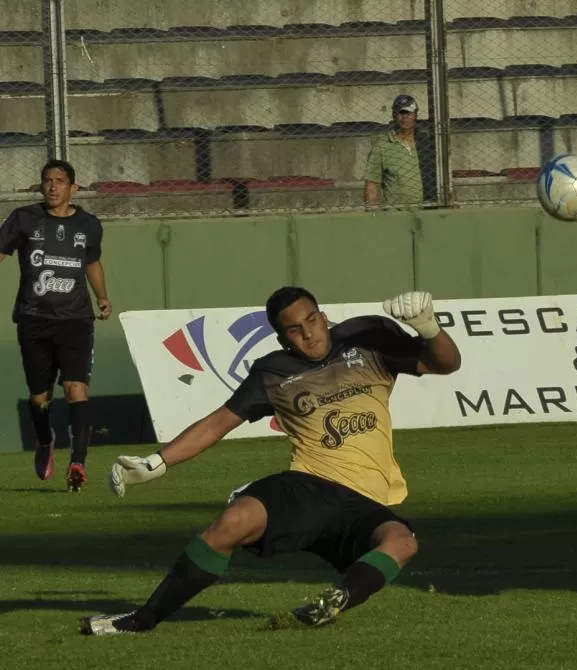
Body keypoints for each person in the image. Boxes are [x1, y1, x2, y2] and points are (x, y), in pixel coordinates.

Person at [81, 287, 461, 635]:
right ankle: (142, 620)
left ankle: (337, 600)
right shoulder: (273, 372)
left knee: (402, 542)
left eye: (312, 320)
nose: (309, 333)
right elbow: (217, 423)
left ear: (323, 315)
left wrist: (428, 327)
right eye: (295, 329)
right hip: (308, 488)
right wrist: (157, 463)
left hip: (364, 503)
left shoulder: (368, 339)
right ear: (282, 338)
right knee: (232, 522)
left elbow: (446, 363)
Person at [0, 159, 111, 491]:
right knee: (40, 398)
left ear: (73, 188)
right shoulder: (24, 219)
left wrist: (102, 297)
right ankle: (44, 438)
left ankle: (78, 462)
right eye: (47, 180)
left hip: (75, 319)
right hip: (34, 320)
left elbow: (91, 262)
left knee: (77, 388)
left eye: (60, 181)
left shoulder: (89, 225)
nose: (52, 186)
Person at [363, 93, 426, 208]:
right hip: (396, 215)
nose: (404, 117)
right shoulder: (382, 146)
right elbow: (372, 183)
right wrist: (372, 215)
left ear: (416, 115)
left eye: (408, 113)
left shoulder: (426, 144)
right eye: (401, 113)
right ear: (394, 115)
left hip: (427, 212)